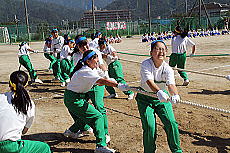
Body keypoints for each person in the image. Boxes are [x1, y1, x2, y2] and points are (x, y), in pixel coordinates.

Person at [64, 50, 127, 153]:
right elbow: (101, 81)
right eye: (95, 58)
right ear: (88, 61)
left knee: (85, 116)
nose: (98, 61)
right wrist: (118, 85)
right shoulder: (86, 71)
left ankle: (71, 131)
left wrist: (113, 80)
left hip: (74, 97)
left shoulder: (91, 69)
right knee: (97, 116)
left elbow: (102, 78)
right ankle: (101, 146)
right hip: (74, 99)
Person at [135, 40, 182, 153]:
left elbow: (171, 84)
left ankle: (177, 150)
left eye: (163, 49)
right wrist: (159, 92)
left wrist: (175, 94)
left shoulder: (168, 68)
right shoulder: (146, 64)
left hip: (162, 99)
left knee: (171, 123)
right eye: (157, 49)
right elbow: (149, 82)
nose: (160, 52)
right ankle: (150, 151)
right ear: (151, 52)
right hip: (145, 99)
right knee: (150, 127)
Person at [64, 36, 111, 144]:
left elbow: (102, 65)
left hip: (97, 84)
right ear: (78, 47)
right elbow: (78, 70)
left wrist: (106, 75)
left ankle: (105, 133)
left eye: (86, 44)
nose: (85, 47)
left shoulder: (94, 52)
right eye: (82, 46)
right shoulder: (76, 56)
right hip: (85, 86)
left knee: (99, 107)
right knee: (79, 109)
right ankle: (82, 128)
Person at [0, 70, 51, 153]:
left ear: (10, 83)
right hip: (10, 147)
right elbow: (24, 131)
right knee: (44, 148)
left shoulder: (1, 97)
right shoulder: (29, 104)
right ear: (26, 85)